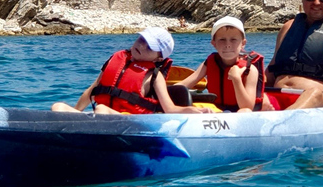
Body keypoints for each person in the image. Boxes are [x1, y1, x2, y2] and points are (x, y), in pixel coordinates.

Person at [52, 27, 210, 114]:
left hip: (129, 122)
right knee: (58, 107)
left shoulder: (154, 76)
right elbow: (94, 89)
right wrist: (75, 112)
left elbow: (170, 108)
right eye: (141, 40)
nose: (141, 46)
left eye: (150, 47)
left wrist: (191, 111)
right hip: (102, 117)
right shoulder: (116, 58)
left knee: (101, 110)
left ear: (159, 58)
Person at [176, 16, 265, 112]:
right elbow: (184, 85)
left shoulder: (250, 70)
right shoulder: (209, 63)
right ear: (214, 43)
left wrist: (236, 79)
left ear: (243, 43)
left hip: (239, 112)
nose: (227, 44)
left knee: (245, 111)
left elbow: (248, 106)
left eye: (233, 39)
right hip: (216, 111)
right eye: (222, 40)